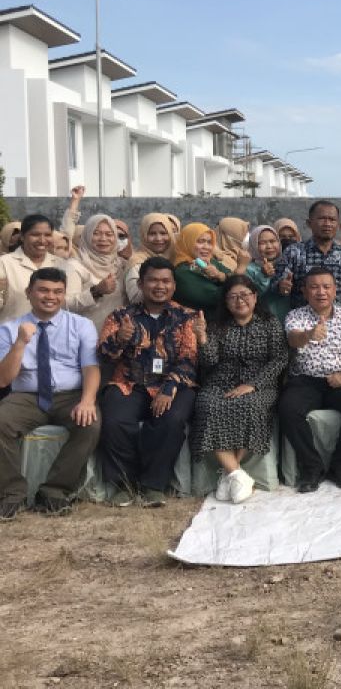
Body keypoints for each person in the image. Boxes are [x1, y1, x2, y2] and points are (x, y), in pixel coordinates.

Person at [97, 257, 200, 507]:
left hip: (173, 384)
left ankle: (153, 485)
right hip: (129, 383)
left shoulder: (186, 317)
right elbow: (103, 354)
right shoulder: (121, 316)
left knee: (171, 420)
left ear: (174, 286)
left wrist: (168, 389)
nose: (159, 286)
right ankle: (124, 484)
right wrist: (120, 339)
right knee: (115, 420)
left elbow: (189, 359)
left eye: (166, 281)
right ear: (141, 284)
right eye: (153, 280)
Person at [0, 267, 101, 519]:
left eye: (58, 291)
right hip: (27, 397)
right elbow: (4, 379)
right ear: (29, 292)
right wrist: (21, 343)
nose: (50, 296)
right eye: (43, 290)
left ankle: (54, 490)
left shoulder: (82, 325)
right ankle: (12, 493)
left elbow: (91, 367)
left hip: (70, 395)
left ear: (64, 294)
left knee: (90, 423)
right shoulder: (10, 329)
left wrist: (87, 401)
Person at [192, 275, 289, 504]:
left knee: (251, 405)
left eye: (245, 295)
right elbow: (209, 362)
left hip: (259, 383)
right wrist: (203, 338)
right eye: (233, 296)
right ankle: (237, 474)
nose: (240, 301)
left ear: (255, 297)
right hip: (220, 381)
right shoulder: (217, 326)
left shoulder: (269, 323)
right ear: (225, 302)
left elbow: (279, 359)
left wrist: (253, 384)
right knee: (208, 405)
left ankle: (228, 475)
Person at [279, 267, 341, 493]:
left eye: (326, 286)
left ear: (335, 290)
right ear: (304, 291)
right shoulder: (296, 316)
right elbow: (293, 340)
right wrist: (309, 335)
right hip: (306, 380)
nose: (321, 292)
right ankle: (312, 467)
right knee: (288, 408)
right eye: (314, 287)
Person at [271, 200, 341, 319]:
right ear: (309, 223)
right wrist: (281, 286)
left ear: (338, 225)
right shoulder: (294, 252)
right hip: (303, 325)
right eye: (322, 219)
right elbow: (275, 285)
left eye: (332, 220)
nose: (327, 224)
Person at [0, 214, 86, 323]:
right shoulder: (4, 264)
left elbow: (69, 303)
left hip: (53, 336)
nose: (42, 240)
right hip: (13, 336)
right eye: (35, 234)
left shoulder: (62, 265)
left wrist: (95, 292)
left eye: (47, 235)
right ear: (22, 236)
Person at [66, 213, 128, 333]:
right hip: (85, 337)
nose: (103, 239)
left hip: (117, 339)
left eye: (109, 234)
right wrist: (96, 291)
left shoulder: (122, 265)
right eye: (96, 233)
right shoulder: (75, 266)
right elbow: (65, 304)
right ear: (87, 235)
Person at [173, 223, 232, 316]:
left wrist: (220, 275)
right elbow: (219, 297)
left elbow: (237, 279)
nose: (206, 247)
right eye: (200, 241)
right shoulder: (182, 272)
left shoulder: (211, 262)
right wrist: (241, 269)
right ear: (187, 242)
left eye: (209, 242)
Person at [126, 213, 176, 304]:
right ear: (144, 236)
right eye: (152, 234)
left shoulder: (175, 258)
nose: (158, 238)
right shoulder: (137, 262)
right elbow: (136, 298)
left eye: (163, 233)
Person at [245, 224, 291, 321]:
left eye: (273, 241)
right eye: (262, 243)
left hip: (288, 320)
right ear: (253, 245)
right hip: (262, 322)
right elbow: (249, 297)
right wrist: (263, 275)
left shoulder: (286, 265)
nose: (269, 246)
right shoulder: (249, 269)